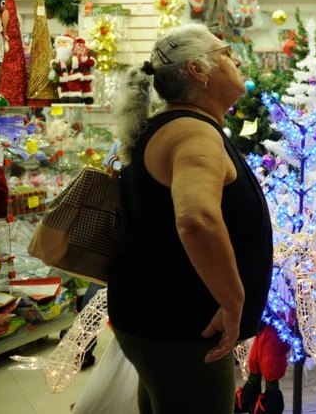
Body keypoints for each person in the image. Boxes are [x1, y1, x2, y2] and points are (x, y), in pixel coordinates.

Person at [108, 24, 274, 414]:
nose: (235, 58)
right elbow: (196, 219)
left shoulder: (175, 124)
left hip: (163, 320)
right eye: (224, 52)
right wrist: (233, 302)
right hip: (185, 327)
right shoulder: (192, 132)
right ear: (198, 71)